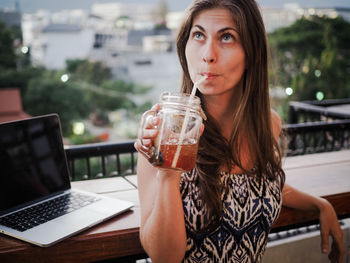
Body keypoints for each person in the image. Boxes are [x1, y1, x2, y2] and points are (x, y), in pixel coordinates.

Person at [134, 0, 345, 262]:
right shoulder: (162, 134)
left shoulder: (267, 124)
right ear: (184, 46)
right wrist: (167, 172)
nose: (208, 54)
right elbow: (165, 258)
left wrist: (319, 204)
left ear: (252, 53)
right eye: (198, 35)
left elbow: (261, 185)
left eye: (227, 37)